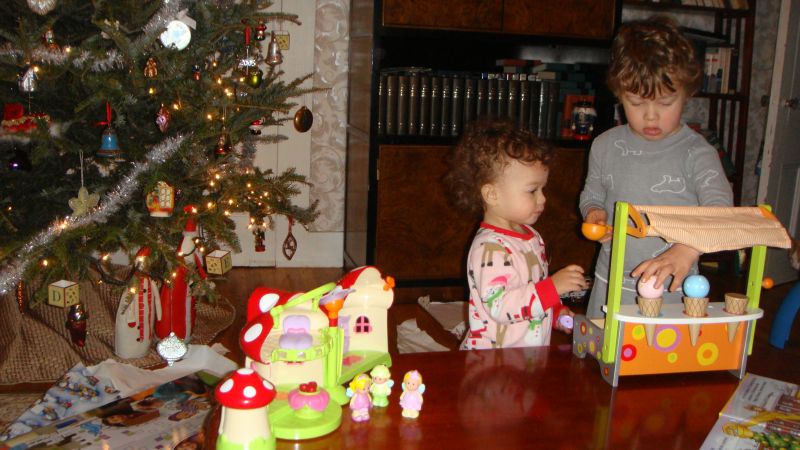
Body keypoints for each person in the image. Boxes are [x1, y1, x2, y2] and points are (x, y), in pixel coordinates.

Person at [579, 16, 733, 319]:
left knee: (662, 347)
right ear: (619, 93)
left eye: (665, 103)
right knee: (607, 346)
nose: (651, 116)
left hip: (672, 287)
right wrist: (594, 213)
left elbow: (720, 214)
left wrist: (687, 250)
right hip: (610, 282)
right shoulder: (604, 145)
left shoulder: (697, 153)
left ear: (687, 94)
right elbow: (592, 193)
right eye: (636, 103)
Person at [446, 119, 587, 349]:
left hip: (526, 357)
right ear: (492, 195)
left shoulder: (531, 236)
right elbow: (501, 306)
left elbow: (531, 288)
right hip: (492, 360)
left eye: (542, 189)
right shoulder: (489, 248)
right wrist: (552, 288)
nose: (543, 199)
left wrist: (556, 311)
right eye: (532, 191)